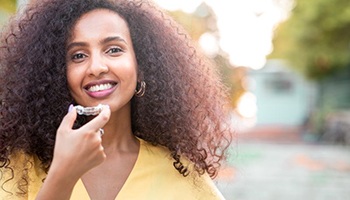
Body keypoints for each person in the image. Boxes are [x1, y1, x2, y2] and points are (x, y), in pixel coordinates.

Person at [0, 0, 232, 199]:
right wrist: (63, 175)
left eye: (113, 50)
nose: (97, 67)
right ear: (56, 73)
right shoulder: (19, 166)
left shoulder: (183, 174)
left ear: (141, 66)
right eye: (78, 55)